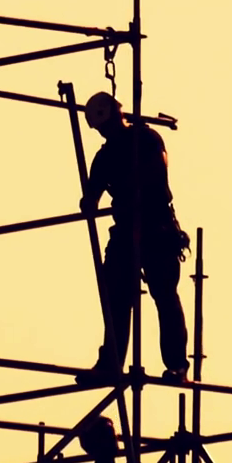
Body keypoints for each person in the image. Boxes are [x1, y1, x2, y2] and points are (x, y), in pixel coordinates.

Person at [77, 92, 189, 384]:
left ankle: (177, 365)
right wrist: (88, 202)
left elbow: (157, 172)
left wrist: (134, 192)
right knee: (115, 296)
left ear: (118, 116)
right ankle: (110, 364)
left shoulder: (147, 139)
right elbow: (92, 195)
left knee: (164, 295)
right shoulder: (104, 157)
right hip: (126, 230)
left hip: (156, 227)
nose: (105, 132)